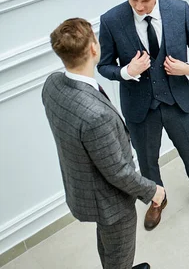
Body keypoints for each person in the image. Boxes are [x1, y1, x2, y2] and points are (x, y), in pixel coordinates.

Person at [98, 0, 189, 230]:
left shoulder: (179, 10)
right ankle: (156, 200)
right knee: (147, 159)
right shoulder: (111, 20)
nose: (139, 7)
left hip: (177, 100)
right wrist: (126, 71)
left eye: (146, 1)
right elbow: (103, 65)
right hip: (140, 106)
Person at [42, 18, 165, 269]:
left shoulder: (52, 84)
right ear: (93, 48)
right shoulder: (96, 115)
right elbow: (118, 171)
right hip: (111, 202)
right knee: (119, 255)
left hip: (83, 188)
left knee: (108, 245)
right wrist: (153, 190)